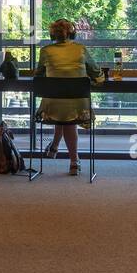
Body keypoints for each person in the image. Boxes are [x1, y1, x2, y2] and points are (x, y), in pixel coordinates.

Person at [37, 18, 104, 176]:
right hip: (78, 104)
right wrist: (98, 79)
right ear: (72, 34)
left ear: (52, 34)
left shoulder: (45, 51)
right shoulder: (80, 49)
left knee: (62, 106)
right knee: (68, 110)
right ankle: (74, 161)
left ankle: (55, 145)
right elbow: (96, 73)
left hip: (52, 104)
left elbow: (38, 75)